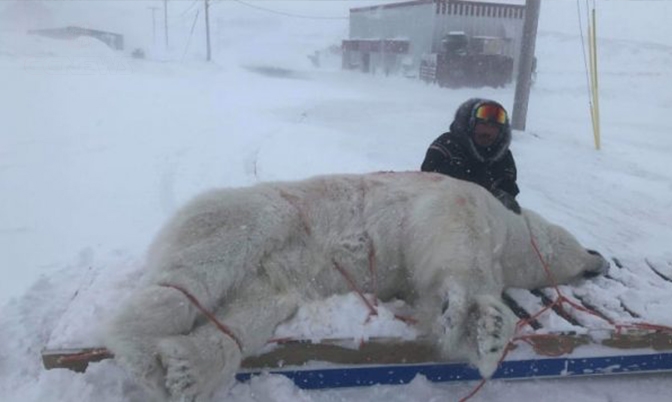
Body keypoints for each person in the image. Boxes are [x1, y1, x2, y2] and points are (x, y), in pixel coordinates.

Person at [421, 98, 521, 213]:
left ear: (501, 132)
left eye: (494, 127)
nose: (487, 132)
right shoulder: (447, 147)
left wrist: (503, 198)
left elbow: (508, 193)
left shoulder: (504, 158)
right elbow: (425, 186)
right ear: (471, 124)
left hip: (486, 223)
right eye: (482, 124)